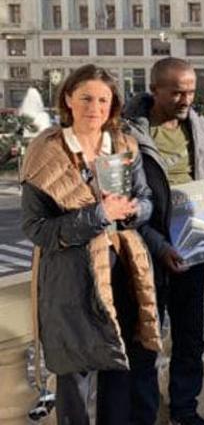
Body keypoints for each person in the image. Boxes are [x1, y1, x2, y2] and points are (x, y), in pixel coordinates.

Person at [21, 64, 161, 424]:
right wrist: (100, 215)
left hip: (123, 273)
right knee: (75, 377)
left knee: (118, 366)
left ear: (113, 103)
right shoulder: (45, 152)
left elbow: (146, 199)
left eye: (103, 99)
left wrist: (132, 211)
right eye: (85, 98)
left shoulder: (124, 144)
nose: (94, 107)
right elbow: (37, 229)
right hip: (72, 280)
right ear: (68, 98)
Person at [125, 57, 204, 425]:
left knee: (191, 337)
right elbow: (125, 206)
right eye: (177, 92)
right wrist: (158, 245)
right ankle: (145, 416)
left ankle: (184, 409)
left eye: (191, 91)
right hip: (148, 252)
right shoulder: (129, 135)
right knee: (146, 342)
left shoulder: (203, 128)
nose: (185, 99)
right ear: (155, 90)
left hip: (194, 247)